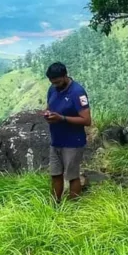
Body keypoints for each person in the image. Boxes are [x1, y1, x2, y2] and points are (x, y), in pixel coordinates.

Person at [43, 62, 92, 203]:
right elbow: (49, 107)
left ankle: (73, 206)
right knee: (55, 174)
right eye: (52, 82)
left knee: (72, 176)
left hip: (73, 142)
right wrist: (48, 114)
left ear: (65, 76)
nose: (55, 85)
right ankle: (54, 204)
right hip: (56, 140)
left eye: (58, 82)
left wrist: (62, 118)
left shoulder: (77, 92)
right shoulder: (52, 89)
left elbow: (87, 120)